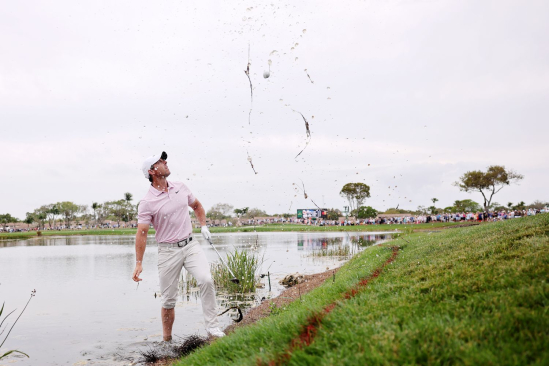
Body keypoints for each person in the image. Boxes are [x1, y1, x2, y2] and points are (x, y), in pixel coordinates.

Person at [131, 151, 225, 340]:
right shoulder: (147, 202)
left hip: (190, 245)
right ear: (152, 171)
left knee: (206, 279)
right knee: (168, 300)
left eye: (164, 159)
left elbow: (197, 206)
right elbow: (142, 233)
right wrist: (139, 262)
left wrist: (204, 226)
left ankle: (213, 328)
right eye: (160, 161)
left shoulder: (180, 187)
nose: (165, 162)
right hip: (167, 251)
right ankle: (167, 340)